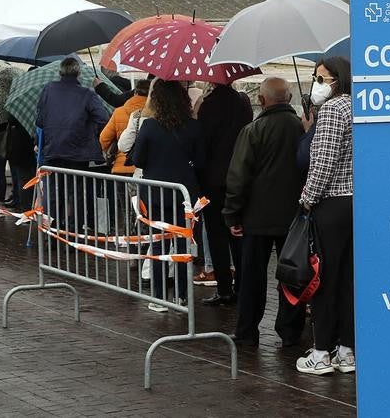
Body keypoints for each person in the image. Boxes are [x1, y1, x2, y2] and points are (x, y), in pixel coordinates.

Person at [223, 77, 307, 347]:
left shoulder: (253, 130)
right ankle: (291, 330)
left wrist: (232, 214)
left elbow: (238, 176)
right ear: (289, 96)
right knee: (292, 275)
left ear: (262, 99)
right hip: (293, 216)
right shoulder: (301, 128)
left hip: (256, 217)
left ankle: (247, 331)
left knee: (251, 278)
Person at [296, 56, 355, 376]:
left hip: (331, 203)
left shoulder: (333, 110)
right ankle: (346, 350)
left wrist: (307, 199)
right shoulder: (360, 106)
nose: (317, 85)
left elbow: (324, 162)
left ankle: (321, 352)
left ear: (338, 79)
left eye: (322, 78)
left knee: (324, 280)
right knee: (347, 279)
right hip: (356, 203)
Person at [128, 79, 204, 312]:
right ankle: (181, 295)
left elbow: (138, 159)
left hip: (156, 194)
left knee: (159, 245)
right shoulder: (193, 126)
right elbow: (201, 161)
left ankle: (159, 296)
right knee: (182, 244)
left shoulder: (150, 126)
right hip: (185, 195)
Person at [35, 58, 111, 229]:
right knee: (76, 196)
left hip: (53, 151)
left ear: (60, 72)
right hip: (79, 154)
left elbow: (40, 121)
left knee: (53, 195)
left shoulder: (48, 89)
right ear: (78, 73)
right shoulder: (87, 94)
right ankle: (72, 234)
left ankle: (52, 233)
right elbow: (103, 118)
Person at [196, 81, 253, 306]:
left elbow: (203, 144)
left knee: (217, 235)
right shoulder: (242, 103)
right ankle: (242, 285)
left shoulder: (209, 105)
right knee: (237, 234)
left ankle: (224, 288)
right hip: (240, 176)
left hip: (213, 179)